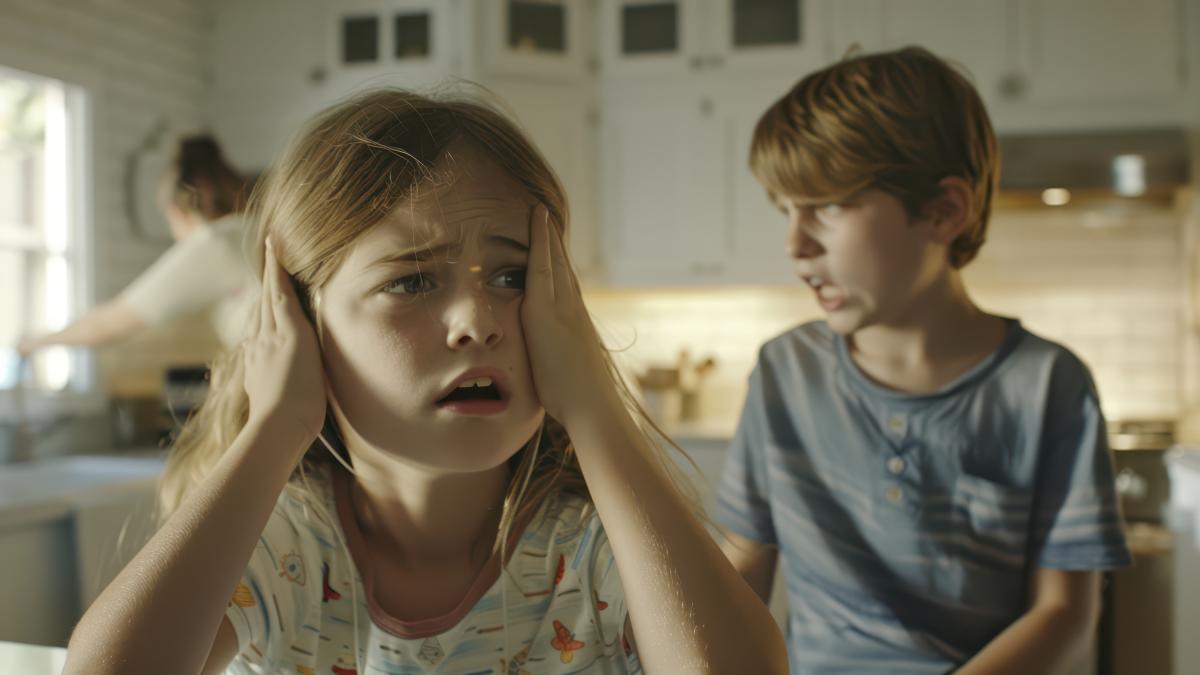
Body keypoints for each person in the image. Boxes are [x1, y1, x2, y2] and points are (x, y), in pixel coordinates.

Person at [62, 89, 788, 675]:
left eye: (510, 276)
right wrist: (274, 426)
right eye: (412, 280)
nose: (478, 318)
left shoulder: (595, 549)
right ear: (300, 326)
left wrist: (594, 407)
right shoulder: (286, 546)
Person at [715, 47, 1131, 673]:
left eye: (827, 206)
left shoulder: (1047, 385)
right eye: (785, 209)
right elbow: (742, 567)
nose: (795, 244)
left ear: (943, 211)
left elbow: (1066, 615)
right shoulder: (784, 373)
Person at [17, 134, 254, 355]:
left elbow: (106, 324)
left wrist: (35, 342)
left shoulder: (214, 243)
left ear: (177, 210)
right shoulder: (248, 229)